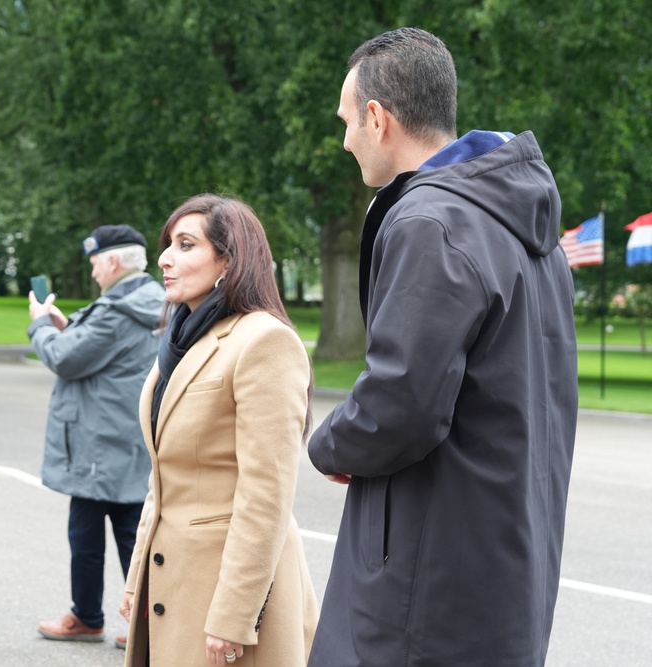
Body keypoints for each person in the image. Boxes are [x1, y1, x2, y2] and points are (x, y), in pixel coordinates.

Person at [307, 28, 578, 666]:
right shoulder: (524, 226)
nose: (345, 139)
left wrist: (329, 443)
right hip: (504, 555)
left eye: (348, 121)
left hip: (428, 578)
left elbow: (402, 402)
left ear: (378, 118)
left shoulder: (430, 221)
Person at [119, 194, 318, 666]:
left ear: (230, 260)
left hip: (227, 595)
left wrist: (234, 615)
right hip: (172, 582)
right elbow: (163, 478)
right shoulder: (181, 339)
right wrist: (136, 580)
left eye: (186, 245)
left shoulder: (264, 341)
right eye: (168, 243)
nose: (165, 258)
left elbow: (265, 495)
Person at [29, 224, 165, 649]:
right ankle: (147, 623)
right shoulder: (153, 303)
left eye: (94, 264)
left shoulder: (116, 311)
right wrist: (68, 326)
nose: (92, 274)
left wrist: (40, 326)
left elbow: (65, 358)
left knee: (88, 536)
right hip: (129, 437)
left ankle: (88, 617)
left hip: (98, 443)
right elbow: (103, 352)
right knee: (132, 533)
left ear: (111, 261)